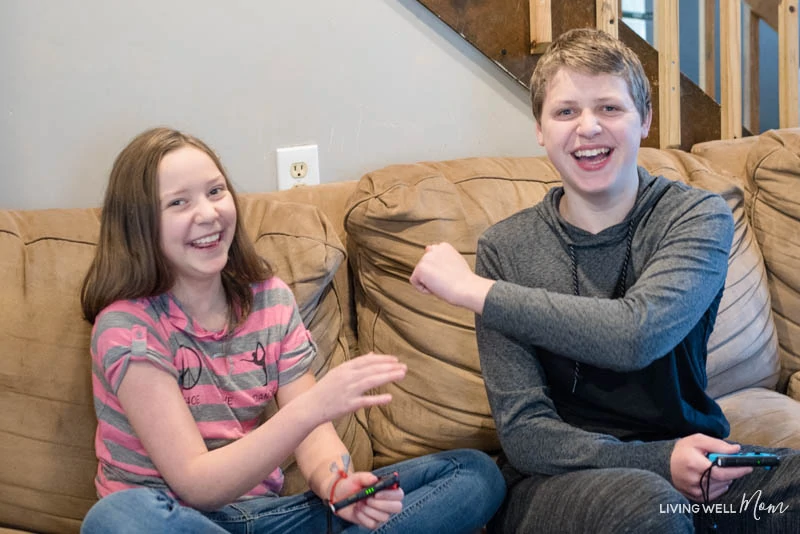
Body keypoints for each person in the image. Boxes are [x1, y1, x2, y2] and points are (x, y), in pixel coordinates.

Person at [410, 28, 800, 533]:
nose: (588, 127)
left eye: (610, 109)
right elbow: (526, 433)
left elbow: (637, 335)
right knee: (651, 504)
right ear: (540, 129)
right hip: (561, 481)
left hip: (700, 466)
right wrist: (658, 463)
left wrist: (472, 291)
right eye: (566, 111)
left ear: (645, 121)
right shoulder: (505, 249)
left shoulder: (696, 216)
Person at [79, 127, 505, 534]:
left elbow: (316, 437)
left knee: (473, 473)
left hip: (271, 518)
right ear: (139, 225)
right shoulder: (128, 326)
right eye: (178, 203)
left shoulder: (268, 299)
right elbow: (197, 484)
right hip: (173, 518)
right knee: (116, 519)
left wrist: (337, 485)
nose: (208, 213)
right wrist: (313, 408)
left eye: (215, 191)